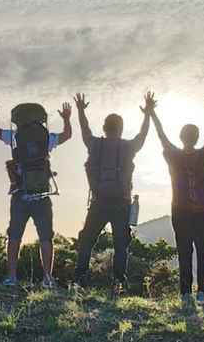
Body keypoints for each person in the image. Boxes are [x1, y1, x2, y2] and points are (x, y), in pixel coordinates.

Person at [149, 89, 204, 305]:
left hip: (180, 209)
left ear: (181, 137)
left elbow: (161, 134)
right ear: (197, 137)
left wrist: (152, 112)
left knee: (184, 251)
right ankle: (202, 294)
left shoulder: (173, 155)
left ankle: (185, 294)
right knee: (203, 251)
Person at [0, 99, 72, 288]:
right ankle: (47, 278)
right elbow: (67, 135)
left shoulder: (15, 136)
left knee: (14, 235)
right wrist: (66, 118)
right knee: (46, 237)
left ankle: (11, 277)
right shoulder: (46, 138)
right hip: (42, 195)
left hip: (20, 194)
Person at [72, 92, 152, 289]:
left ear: (104, 128)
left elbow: (84, 130)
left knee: (87, 241)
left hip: (98, 201)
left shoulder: (95, 145)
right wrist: (147, 114)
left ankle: (80, 279)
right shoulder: (128, 147)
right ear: (121, 129)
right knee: (120, 244)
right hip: (121, 202)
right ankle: (118, 282)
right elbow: (143, 136)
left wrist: (81, 110)